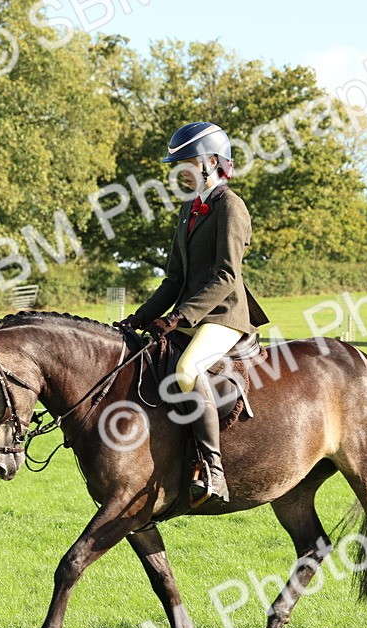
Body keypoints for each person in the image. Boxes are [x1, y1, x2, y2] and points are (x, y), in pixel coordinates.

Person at [119, 122, 269, 507]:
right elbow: (174, 278)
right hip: (192, 315)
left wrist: (179, 317)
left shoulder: (231, 207)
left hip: (224, 315)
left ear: (212, 163)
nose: (180, 172)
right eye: (178, 165)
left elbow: (225, 275)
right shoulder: (189, 209)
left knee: (186, 371)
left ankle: (214, 470)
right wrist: (140, 317)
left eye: (187, 163)